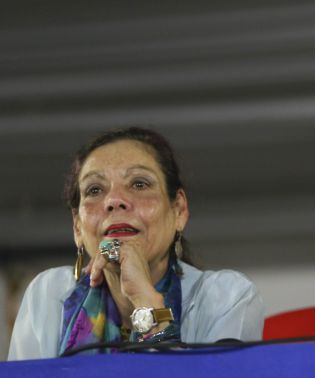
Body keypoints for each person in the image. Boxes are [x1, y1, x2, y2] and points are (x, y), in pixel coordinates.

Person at [8, 127, 264, 360]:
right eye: (95, 190)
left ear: (179, 211)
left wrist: (145, 299)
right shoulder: (49, 295)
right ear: (77, 226)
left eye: (139, 184)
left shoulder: (226, 298)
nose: (114, 200)